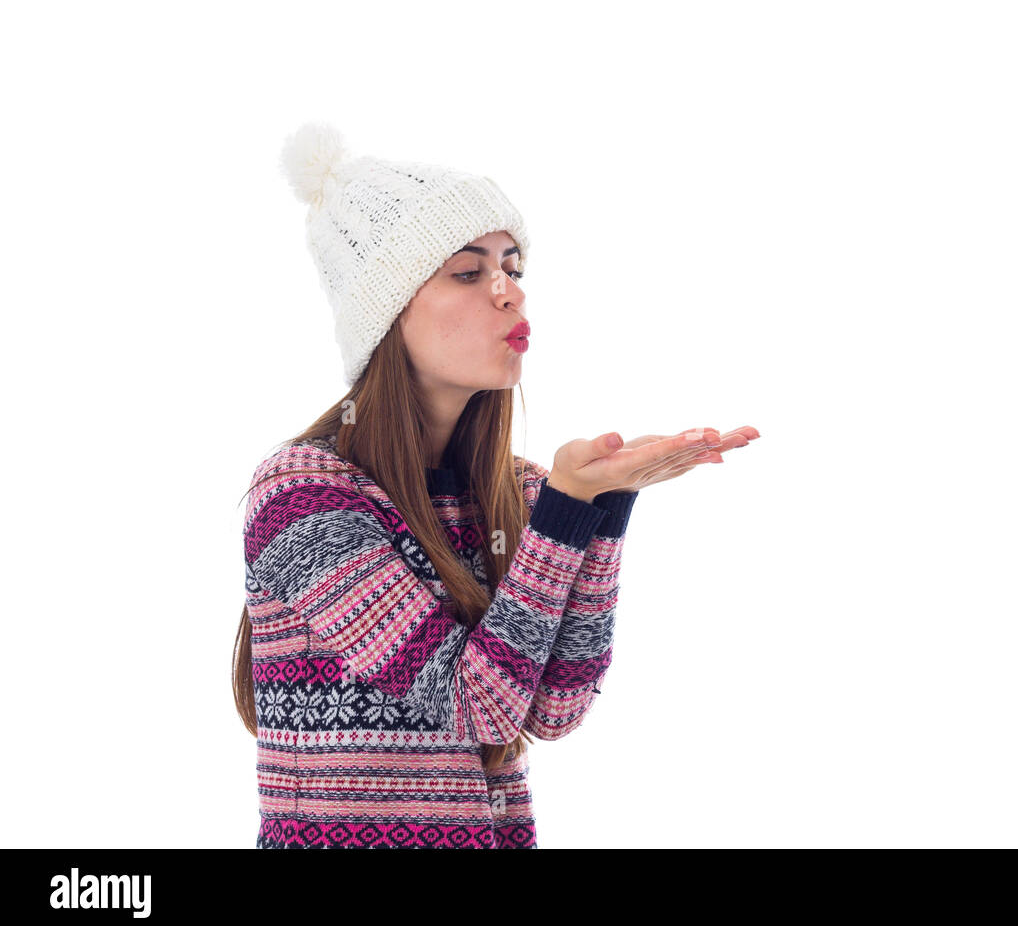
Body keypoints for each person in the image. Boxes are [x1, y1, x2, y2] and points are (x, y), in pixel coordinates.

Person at [231, 122, 760, 848]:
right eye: (467, 272)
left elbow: (556, 708)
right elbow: (475, 705)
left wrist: (601, 510)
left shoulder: (521, 492)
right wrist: (570, 509)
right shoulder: (304, 497)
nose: (508, 293)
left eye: (512, 265)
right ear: (387, 312)